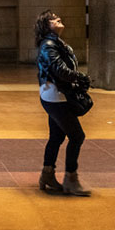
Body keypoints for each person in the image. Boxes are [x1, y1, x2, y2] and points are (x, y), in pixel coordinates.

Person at [35, 10, 91, 197]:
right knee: (77, 136)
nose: (57, 18)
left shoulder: (54, 43)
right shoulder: (49, 45)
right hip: (56, 97)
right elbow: (59, 69)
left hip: (54, 95)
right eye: (52, 19)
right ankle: (71, 179)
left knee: (56, 137)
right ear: (46, 26)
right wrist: (80, 77)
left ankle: (47, 174)